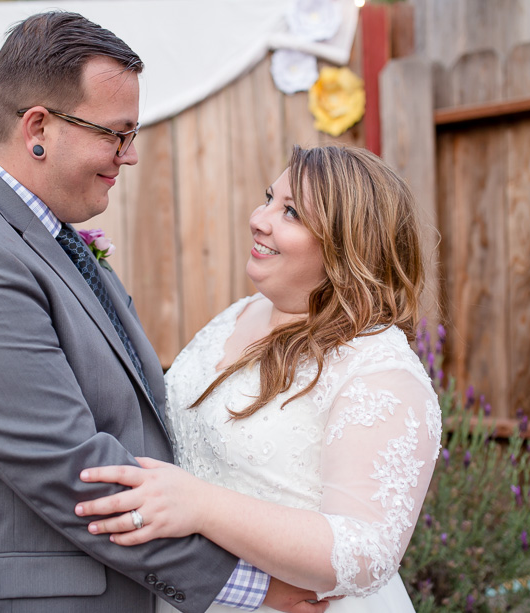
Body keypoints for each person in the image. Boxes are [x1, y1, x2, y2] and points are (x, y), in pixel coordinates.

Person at [0, 11, 328, 613]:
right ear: (38, 125)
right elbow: (73, 472)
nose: (130, 155)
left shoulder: (49, 238)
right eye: (117, 133)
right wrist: (253, 587)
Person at [75, 145, 443, 612]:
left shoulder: (379, 371)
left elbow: (364, 552)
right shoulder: (240, 314)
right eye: (269, 197)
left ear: (347, 243)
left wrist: (200, 505)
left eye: (290, 212)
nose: (259, 218)